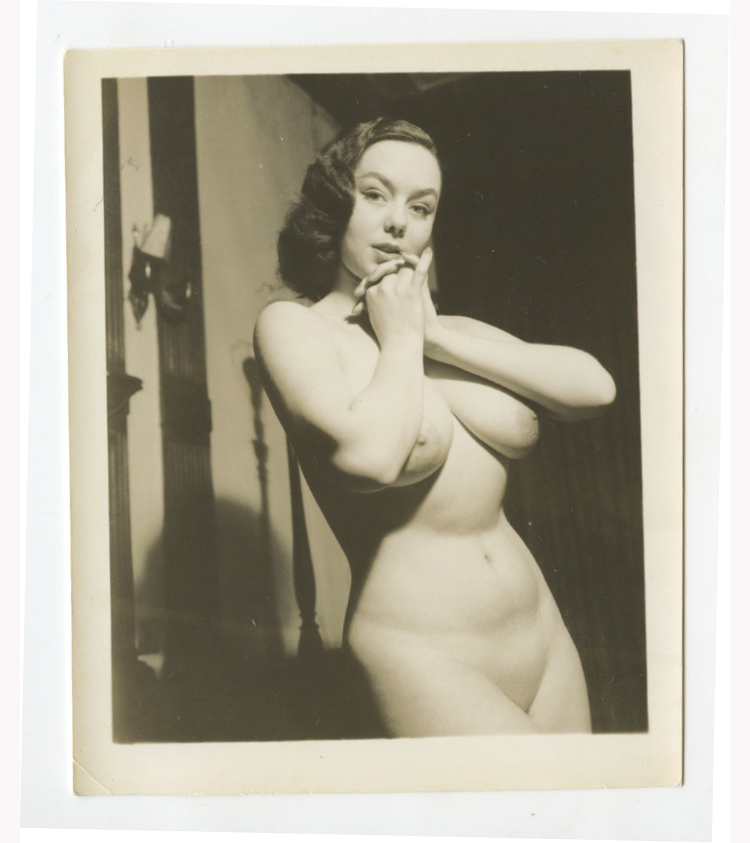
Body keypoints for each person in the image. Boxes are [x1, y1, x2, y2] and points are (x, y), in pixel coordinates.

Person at [254, 117, 616, 736]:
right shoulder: (296, 328)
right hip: (423, 654)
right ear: (334, 203)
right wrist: (399, 338)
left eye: (420, 207)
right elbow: (371, 458)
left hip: (543, 636)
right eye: (375, 194)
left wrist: (436, 337)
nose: (399, 222)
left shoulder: (452, 333)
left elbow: (595, 389)